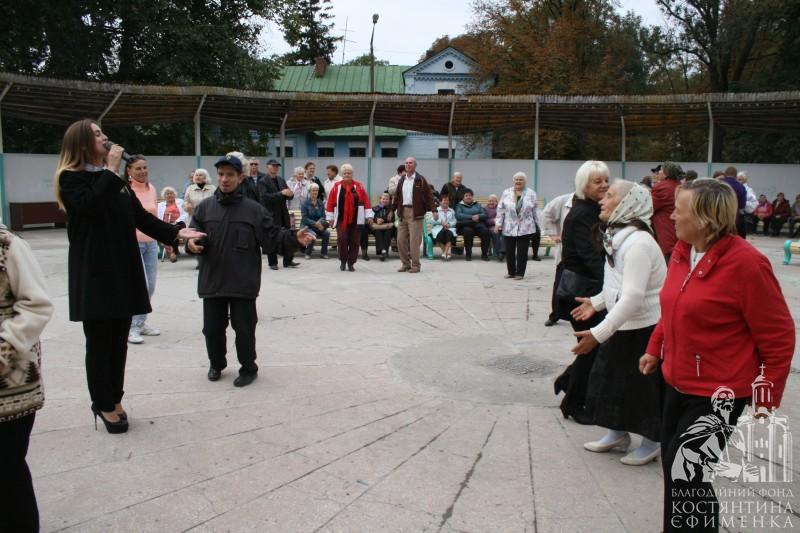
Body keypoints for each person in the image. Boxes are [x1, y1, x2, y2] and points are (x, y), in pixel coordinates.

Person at [640, 178, 793, 532]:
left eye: (679, 210)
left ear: (705, 220)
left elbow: (778, 335)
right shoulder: (683, 251)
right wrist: (654, 348)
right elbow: (672, 307)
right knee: (675, 467)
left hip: (719, 392)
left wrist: (766, 394)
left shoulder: (748, 265)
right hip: (675, 382)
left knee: (687, 472)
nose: (671, 216)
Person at [55, 119, 204, 433]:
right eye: (97, 134)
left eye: (103, 132)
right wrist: (110, 171)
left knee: (118, 342)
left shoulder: (116, 181)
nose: (105, 137)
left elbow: (141, 218)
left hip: (122, 269)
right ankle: (102, 402)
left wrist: (175, 233)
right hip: (95, 274)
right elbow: (92, 207)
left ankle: (115, 397)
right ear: (81, 143)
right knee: (100, 343)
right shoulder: (71, 178)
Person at [187, 155, 314, 387]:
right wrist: (191, 244)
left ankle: (248, 368)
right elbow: (193, 234)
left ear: (240, 177)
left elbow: (272, 237)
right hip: (213, 280)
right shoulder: (205, 208)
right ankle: (216, 364)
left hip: (242, 281)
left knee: (244, 329)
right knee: (212, 329)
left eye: (230, 175)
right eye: (221, 174)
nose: (224, 179)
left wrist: (293, 238)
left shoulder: (254, 210)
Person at [570, 180, 666, 466]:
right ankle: (617, 433)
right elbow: (617, 284)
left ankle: (651, 442)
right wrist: (596, 302)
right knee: (612, 383)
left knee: (642, 389)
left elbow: (633, 297)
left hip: (643, 328)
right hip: (623, 323)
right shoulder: (618, 235)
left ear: (627, 204)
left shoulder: (638, 244)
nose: (602, 200)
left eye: (609, 195)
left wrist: (598, 333)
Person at [0, 222, 53, 533]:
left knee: (7, 471)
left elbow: (37, 306)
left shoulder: (7, 245)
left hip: (10, 388)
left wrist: (4, 349)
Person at [553, 160, 609, 424]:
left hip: (587, 290)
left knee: (594, 346)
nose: (604, 185)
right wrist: (612, 283)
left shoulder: (593, 210)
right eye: (597, 181)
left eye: (606, 180)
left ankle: (567, 381)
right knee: (590, 347)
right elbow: (591, 256)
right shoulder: (583, 214)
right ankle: (573, 403)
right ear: (584, 185)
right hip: (581, 293)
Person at [126, 155, 161, 344]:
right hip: (133, 244)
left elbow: (154, 217)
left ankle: (140, 321)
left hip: (151, 243)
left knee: (151, 286)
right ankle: (132, 327)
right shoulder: (126, 190)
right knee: (141, 286)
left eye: (145, 167)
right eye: (138, 168)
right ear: (129, 171)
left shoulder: (152, 188)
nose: (143, 171)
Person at [325, 163, 373, 272]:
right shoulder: (336, 186)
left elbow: (365, 200)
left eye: (349, 173)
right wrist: (330, 218)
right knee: (342, 239)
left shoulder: (359, 186)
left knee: (355, 241)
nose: (347, 174)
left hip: (356, 218)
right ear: (342, 174)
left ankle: (351, 263)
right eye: (345, 173)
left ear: (352, 174)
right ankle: (343, 260)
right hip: (341, 218)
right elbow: (330, 202)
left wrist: (369, 215)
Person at [393, 157, 435, 273]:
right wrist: (391, 210)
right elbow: (397, 196)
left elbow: (429, 196)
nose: (408, 164)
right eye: (406, 163)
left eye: (410, 163)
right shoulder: (402, 179)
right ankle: (405, 264)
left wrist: (434, 210)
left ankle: (416, 265)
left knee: (414, 241)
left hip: (415, 213)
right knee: (400, 240)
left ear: (415, 165)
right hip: (402, 212)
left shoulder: (420, 179)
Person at [256, 159, 298, 270]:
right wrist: (281, 193)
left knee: (288, 237)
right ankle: (272, 262)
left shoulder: (281, 179)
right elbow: (264, 198)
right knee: (271, 238)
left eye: (277, 166)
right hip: (271, 214)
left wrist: (290, 194)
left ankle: (288, 261)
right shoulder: (263, 181)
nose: (275, 167)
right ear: (268, 166)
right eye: (273, 165)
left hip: (283, 213)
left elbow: (289, 195)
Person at [495, 172, 538, 279]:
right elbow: (501, 209)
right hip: (509, 226)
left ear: (525, 181)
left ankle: (520, 273)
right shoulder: (506, 192)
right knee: (509, 251)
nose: (518, 181)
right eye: (516, 179)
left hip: (525, 227)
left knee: (522, 252)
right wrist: (498, 223)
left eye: (521, 179)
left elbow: (535, 210)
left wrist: (540, 224)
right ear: (513, 180)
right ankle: (511, 272)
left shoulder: (531, 193)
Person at [541, 192, 573, 327]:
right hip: (566, 251)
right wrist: (553, 234)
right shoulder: (564, 200)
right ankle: (555, 314)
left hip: (588, 251)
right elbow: (546, 214)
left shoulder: (598, 201)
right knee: (560, 283)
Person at [651, 161, 682, 261]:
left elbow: (648, 208)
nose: (658, 172)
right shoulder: (679, 185)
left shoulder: (662, 188)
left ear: (665, 174)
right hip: (677, 233)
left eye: (660, 170)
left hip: (666, 235)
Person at [455, 189, 490, 261]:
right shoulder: (459, 205)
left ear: (472, 196)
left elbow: (484, 214)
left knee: (486, 231)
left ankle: (484, 254)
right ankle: (468, 254)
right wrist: (472, 217)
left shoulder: (477, 205)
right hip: (465, 225)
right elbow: (459, 215)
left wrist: (478, 216)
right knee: (468, 231)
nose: (468, 197)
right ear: (463, 197)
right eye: (466, 195)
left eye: (470, 195)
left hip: (478, 224)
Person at [157, 186, 188, 262]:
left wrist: (176, 221)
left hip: (179, 223)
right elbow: (158, 216)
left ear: (174, 194)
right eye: (167, 194)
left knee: (172, 230)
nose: (169, 195)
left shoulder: (180, 202)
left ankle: (172, 252)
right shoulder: (161, 205)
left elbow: (185, 214)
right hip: (165, 224)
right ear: (164, 196)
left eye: (171, 193)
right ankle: (170, 251)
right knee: (163, 230)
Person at [300, 183, 329, 259]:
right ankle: (307, 253)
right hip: (307, 226)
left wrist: (321, 224)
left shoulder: (320, 202)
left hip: (318, 226)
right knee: (312, 234)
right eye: (313, 190)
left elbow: (323, 216)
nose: (315, 192)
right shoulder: (305, 203)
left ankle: (324, 253)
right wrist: (315, 223)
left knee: (326, 233)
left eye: (316, 190)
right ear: (309, 192)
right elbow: (304, 218)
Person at [718, 166, 747, 238]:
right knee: (731, 239)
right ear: (736, 175)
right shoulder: (741, 187)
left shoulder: (718, 184)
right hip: (733, 218)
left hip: (718, 217)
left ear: (725, 173)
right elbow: (742, 205)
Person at [370, 191, 395, 261]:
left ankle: (382, 252)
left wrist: (383, 220)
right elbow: (371, 217)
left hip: (388, 228)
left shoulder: (391, 210)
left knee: (388, 232)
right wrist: (376, 220)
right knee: (378, 232)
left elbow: (392, 219)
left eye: (387, 199)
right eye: (383, 199)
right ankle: (383, 251)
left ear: (389, 201)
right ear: (380, 199)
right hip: (377, 227)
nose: (385, 200)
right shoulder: (375, 208)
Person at [431, 194, 457, 260]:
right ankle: (446, 253)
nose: (446, 202)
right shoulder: (436, 210)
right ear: (440, 202)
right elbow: (432, 220)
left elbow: (454, 221)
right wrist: (441, 222)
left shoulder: (452, 210)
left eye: (447, 200)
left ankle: (445, 253)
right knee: (439, 235)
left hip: (449, 228)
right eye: (444, 200)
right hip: (438, 228)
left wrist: (449, 224)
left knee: (450, 234)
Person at [483, 194, 505, 261]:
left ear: (496, 202)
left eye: (493, 201)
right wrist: (494, 221)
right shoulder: (485, 209)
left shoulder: (500, 208)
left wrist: (500, 223)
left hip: (502, 225)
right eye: (490, 201)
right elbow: (485, 220)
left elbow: (505, 217)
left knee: (506, 233)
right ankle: (499, 253)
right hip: (491, 226)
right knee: (495, 232)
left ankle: (503, 252)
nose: (491, 202)